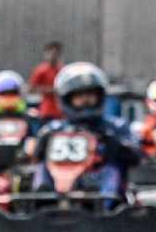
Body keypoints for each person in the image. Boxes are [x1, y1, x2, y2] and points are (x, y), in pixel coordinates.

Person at [32, 61, 140, 203]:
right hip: (60, 182)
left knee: (112, 168)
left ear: (99, 96)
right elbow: (36, 156)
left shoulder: (115, 126)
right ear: (67, 99)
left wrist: (110, 141)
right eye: (80, 96)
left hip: (98, 180)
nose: (86, 100)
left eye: (90, 95)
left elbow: (136, 156)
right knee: (42, 167)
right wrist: (42, 143)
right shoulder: (53, 129)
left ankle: (104, 202)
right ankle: (42, 201)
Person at [29, 41, 65, 123]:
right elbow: (31, 89)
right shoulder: (41, 70)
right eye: (50, 53)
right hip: (47, 111)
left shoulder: (62, 70)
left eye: (55, 53)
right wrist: (48, 90)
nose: (52, 56)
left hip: (61, 111)